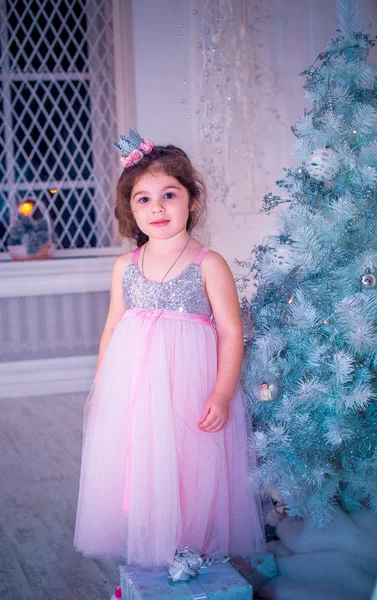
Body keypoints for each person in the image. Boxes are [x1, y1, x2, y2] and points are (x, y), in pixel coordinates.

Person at [74, 130, 265, 566]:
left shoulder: (208, 263)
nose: (157, 207)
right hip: (138, 390)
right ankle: (152, 546)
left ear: (192, 200)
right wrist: (104, 385)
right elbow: (112, 328)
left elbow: (231, 333)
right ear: (130, 209)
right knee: (143, 461)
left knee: (189, 465)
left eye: (169, 194)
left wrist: (221, 392)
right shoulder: (125, 266)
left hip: (190, 386)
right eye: (143, 199)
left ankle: (192, 550)